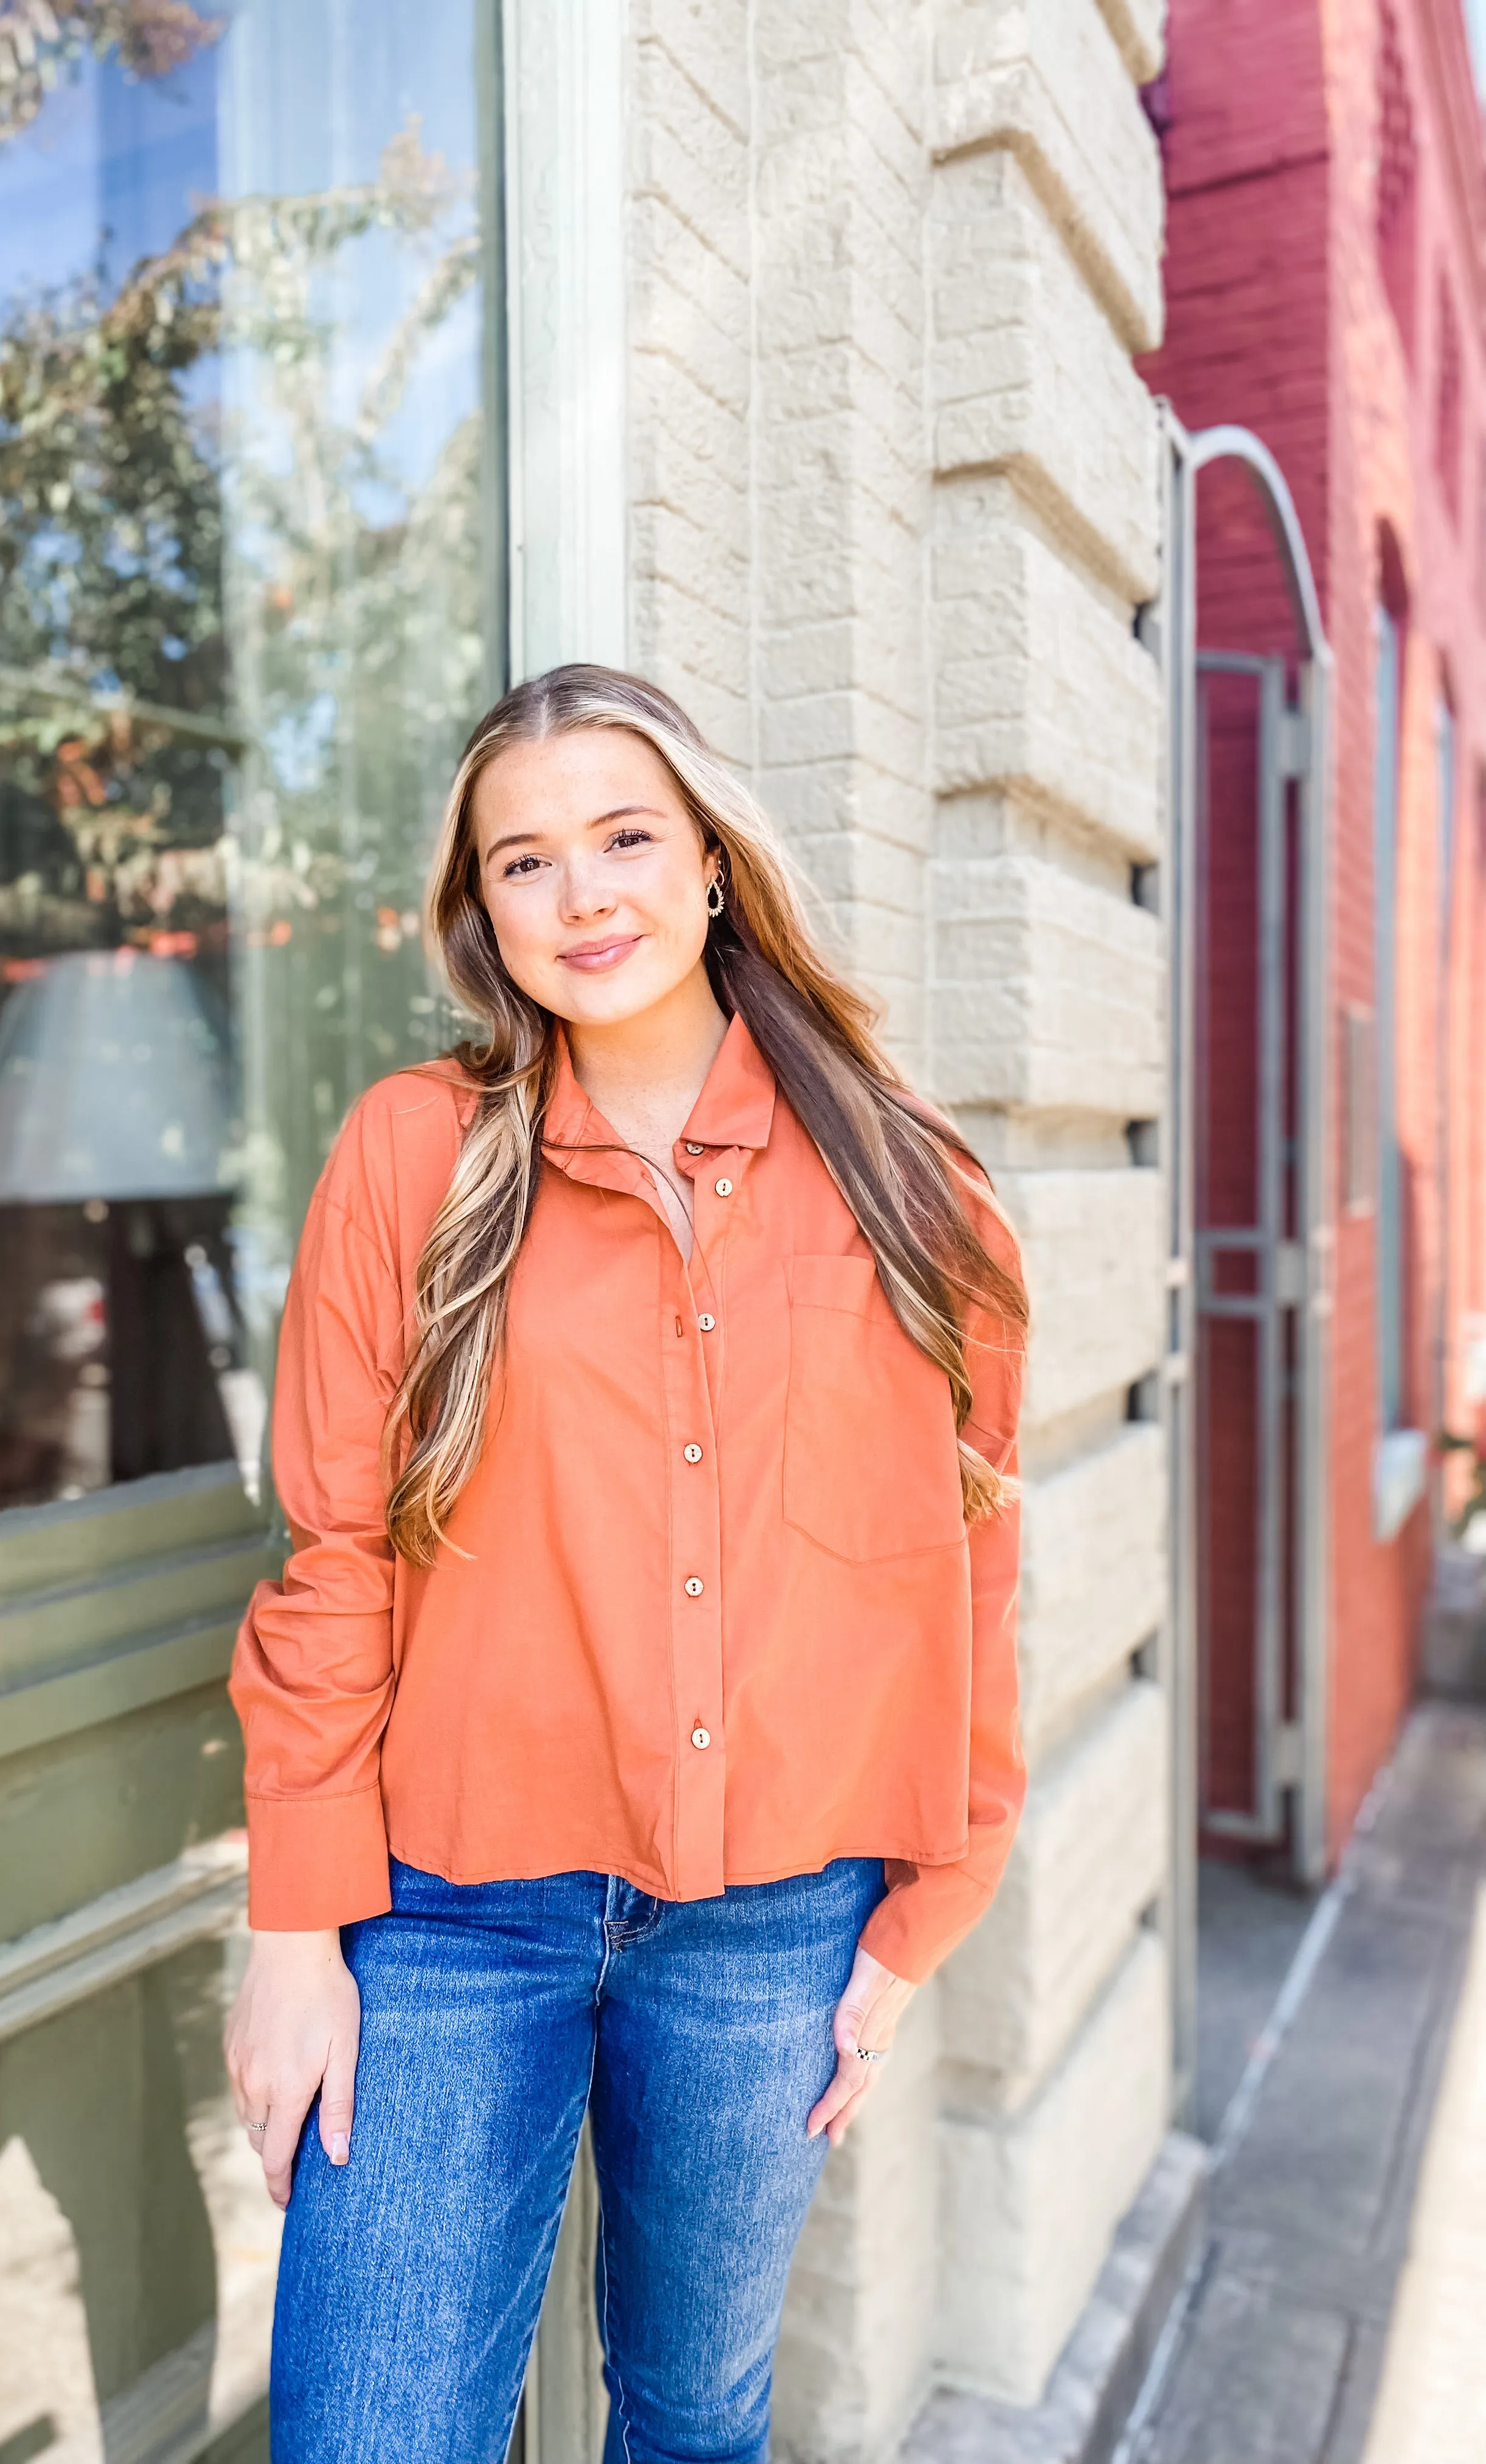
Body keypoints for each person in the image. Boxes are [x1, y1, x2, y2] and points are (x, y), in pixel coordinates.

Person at [224, 664, 1029, 2463]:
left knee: (689, 2416)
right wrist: (293, 1927)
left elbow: (968, 1566)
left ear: (715, 864)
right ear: (480, 913)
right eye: (524, 862)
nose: (582, 895)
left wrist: (921, 1920)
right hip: (442, 1916)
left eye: (624, 837)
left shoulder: (911, 1189)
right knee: (371, 2436)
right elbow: (335, 1552)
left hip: (777, 1924)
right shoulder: (412, 1156)